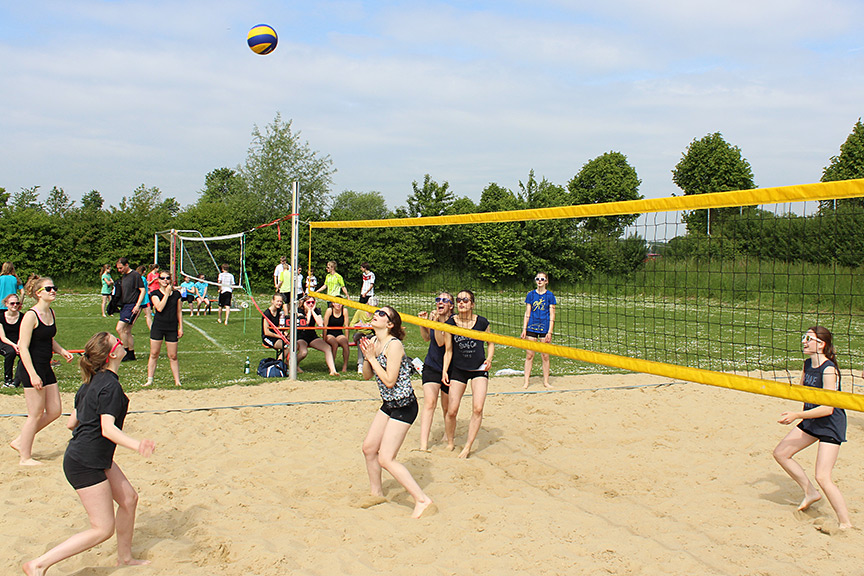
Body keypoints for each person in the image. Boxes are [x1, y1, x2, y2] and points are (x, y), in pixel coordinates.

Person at [22, 332, 155, 576]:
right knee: (102, 529)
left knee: (129, 499)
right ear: (112, 354)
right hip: (85, 461)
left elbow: (71, 423)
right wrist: (137, 444)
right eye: (117, 341)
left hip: (91, 455)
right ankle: (38, 564)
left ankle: (125, 558)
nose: (121, 342)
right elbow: (107, 429)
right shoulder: (110, 386)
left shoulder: (91, 382)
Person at [359, 305, 434, 518]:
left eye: (382, 314)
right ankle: (376, 493)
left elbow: (390, 381)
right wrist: (367, 357)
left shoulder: (394, 345)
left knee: (386, 458)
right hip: (389, 404)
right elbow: (367, 375)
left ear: (390, 324)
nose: (376, 314)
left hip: (404, 406)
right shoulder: (373, 342)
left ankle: (423, 501)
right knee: (369, 449)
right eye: (377, 312)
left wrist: (373, 358)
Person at [773, 326, 851, 530]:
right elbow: (802, 391)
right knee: (781, 453)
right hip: (812, 419)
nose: (804, 342)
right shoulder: (807, 364)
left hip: (830, 424)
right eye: (804, 337)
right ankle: (810, 492)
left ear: (821, 344)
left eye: (809, 339)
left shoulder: (829, 369)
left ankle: (845, 523)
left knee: (823, 476)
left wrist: (796, 415)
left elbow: (827, 408)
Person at [9, 276, 74, 466]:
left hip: (45, 366)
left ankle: (21, 441)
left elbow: (48, 338)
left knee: (54, 410)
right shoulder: (31, 316)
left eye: (54, 288)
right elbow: (23, 347)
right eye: (48, 289)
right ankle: (25, 457)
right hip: (31, 368)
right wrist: (32, 374)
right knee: (35, 414)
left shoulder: (50, 312)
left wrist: (62, 351)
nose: (53, 291)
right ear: (38, 293)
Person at [442, 289, 494, 459]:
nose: (461, 303)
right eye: (459, 300)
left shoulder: (482, 322)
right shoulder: (450, 323)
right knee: (452, 410)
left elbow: (491, 343)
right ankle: (450, 442)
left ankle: (468, 446)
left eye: (465, 300)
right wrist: (445, 370)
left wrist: (489, 359)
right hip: (459, 369)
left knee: (478, 408)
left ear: (472, 304)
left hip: (479, 368)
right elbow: (448, 350)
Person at [417, 292, 454, 451]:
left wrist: (435, 322)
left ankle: (447, 434)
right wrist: (422, 323)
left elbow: (440, 342)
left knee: (447, 407)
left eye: (445, 300)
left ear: (451, 306)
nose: (440, 302)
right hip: (431, 365)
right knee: (429, 403)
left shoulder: (453, 322)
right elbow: (427, 338)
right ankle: (423, 444)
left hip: (449, 368)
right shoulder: (435, 319)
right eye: (438, 299)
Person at [145, 271, 183, 387]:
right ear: (158, 280)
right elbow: (159, 308)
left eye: (167, 278)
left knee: (173, 355)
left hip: (172, 327)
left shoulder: (176, 294)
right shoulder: (154, 293)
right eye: (162, 278)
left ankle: (177, 381)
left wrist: (181, 327)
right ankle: (150, 379)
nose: (165, 280)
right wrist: (166, 294)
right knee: (154, 353)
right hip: (158, 326)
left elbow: (179, 311)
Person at [521, 272, 557, 389]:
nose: (539, 281)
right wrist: (524, 329)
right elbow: (527, 312)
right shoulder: (531, 295)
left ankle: (546, 382)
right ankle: (526, 382)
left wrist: (550, 331)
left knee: (545, 356)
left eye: (542, 279)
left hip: (544, 328)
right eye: (537, 279)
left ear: (546, 281)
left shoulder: (550, 296)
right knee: (529, 355)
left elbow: (552, 315)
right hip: (532, 327)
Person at [296, 296, 337, 375]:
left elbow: (320, 323)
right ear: (304, 303)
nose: (311, 304)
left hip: (312, 335)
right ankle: (292, 363)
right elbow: (306, 323)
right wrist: (308, 311)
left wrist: (312, 311)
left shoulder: (316, 310)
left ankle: (333, 370)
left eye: (313, 302)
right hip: (301, 335)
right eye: (308, 302)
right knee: (303, 352)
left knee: (327, 348)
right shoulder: (299, 310)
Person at [115, 258, 145, 361]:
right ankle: (131, 354)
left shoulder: (135, 275)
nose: (119, 270)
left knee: (119, 328)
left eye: (121, 268)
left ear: (127, 265)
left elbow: (142, 290)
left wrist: (137, 305)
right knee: (127, 331)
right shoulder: (124, 276)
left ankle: (125, 351)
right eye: (118, 268)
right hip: (125, 305)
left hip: (132, 305)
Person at [1, 293, 23, 387]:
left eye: (17, 303)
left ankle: (16, 381)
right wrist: (14, 346)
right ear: (6, 304)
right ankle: (8, 379)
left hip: (19, 341)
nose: (15, 305)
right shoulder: (1, 317)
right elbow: (3, 337)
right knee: (10, 352)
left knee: (25, 353)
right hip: (4, 342)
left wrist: (19, 344)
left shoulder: (23, 317)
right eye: (12, 303)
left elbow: (23, 334)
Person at [351, 295, 377, 373]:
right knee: (361, 340)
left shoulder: (377, 313)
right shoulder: (360, 311)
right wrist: (358, 325)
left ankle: (374, 364)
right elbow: (351, 325)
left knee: (375, 341)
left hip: (371, 334)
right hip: (360, 333)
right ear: (367, 304)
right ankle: (360, 364)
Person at [323, 301, 350, 372]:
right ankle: (332, 366)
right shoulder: (329, 310)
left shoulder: (344, 311)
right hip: (330, 333)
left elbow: (346, 326)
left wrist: (346, 338)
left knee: (345, 344)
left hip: (339, 333)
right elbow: (325, 326)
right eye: (337, 303)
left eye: (340, 303)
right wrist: (324, 339)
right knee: (334, 344)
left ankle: (345, 366)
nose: (338, 305)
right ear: (333, 304)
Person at [262, 294, 287, 361]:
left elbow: (281, 325)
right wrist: (280, 336)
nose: (279, 303)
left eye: (281, 301)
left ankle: (285, 363)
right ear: (272, 301)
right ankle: (278, 363)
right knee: (287, 347)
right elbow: (266, 332)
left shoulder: (279, 312)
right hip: (268, 338)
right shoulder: (267, 314)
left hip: (278, 336)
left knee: (294, 345)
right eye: (277, 301)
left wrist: (285, 333)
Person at [135, 265, 153, 331]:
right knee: (148, 316)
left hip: (138, 299)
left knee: (135, 317)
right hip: (145, 299)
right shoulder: (143, 279)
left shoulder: (136, 278)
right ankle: (152, 330)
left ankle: (128, 329)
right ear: (143, 271)